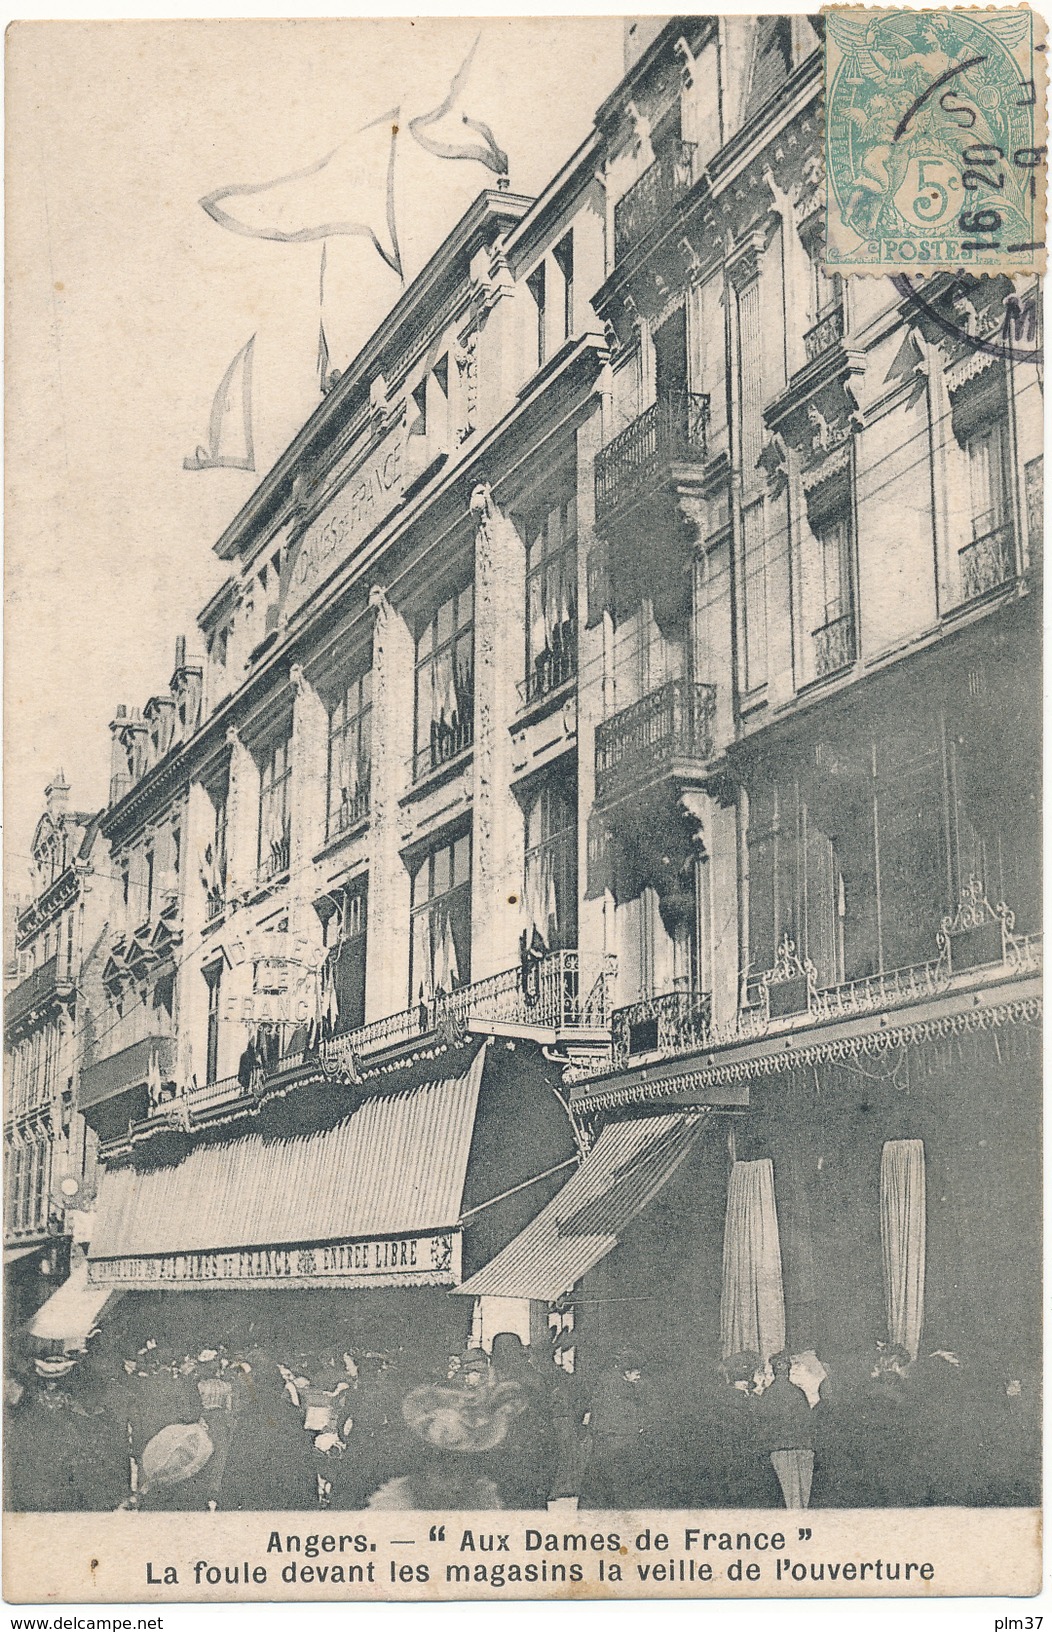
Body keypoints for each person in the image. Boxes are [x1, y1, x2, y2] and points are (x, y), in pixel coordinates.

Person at [757, 1349, 816, 1509]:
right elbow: (808, 1423)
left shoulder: (767, 1394)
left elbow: (762, 1426)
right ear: (788, 1370)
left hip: (777, 1452)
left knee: (785, 1499)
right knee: (803, 1500)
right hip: (802, 1451)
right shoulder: (798, 1393)